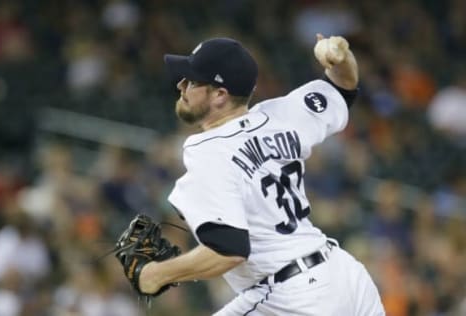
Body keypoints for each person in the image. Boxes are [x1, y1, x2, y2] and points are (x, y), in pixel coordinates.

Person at [137, 35, 385, 315]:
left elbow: (229, 250)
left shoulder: (208, 150)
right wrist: (341, 58)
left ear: (220, 94)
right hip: (346, 277)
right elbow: (344, 87)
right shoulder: (282, 114)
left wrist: (156, 273)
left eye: (193, 81)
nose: (181, 86)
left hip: (293, 297)